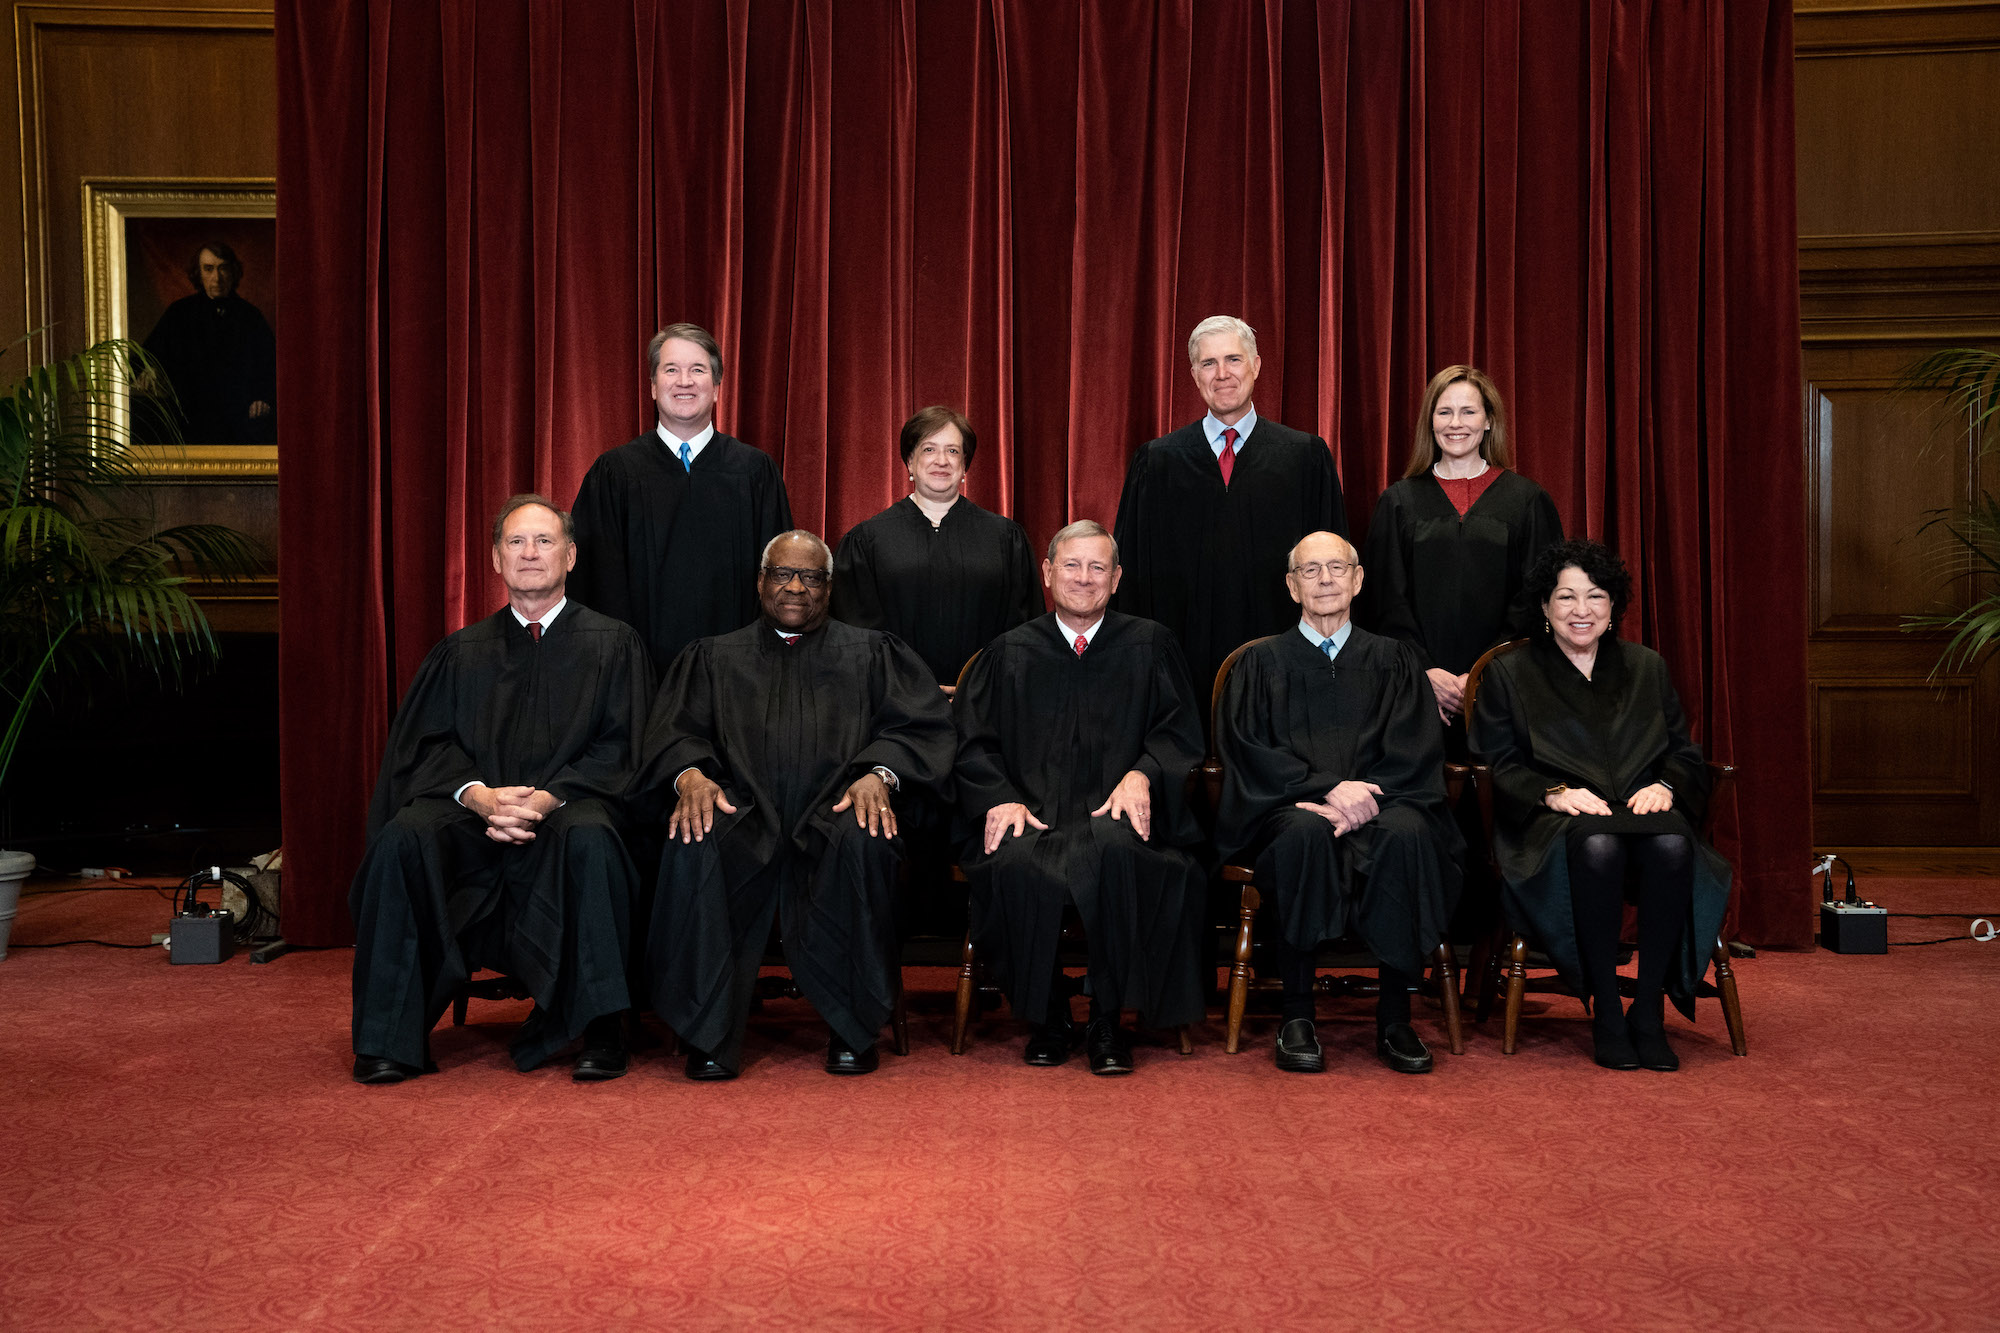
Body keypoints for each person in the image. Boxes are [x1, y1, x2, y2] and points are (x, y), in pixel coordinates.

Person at [348, 495, 656, 1085]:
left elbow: (624, 746)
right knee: (405, 839)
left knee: (593, 837)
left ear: (570, 555)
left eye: (544, 541)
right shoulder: (461, 652)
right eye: (516, 543)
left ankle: (602, 1026)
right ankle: (388, 1037)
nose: (530, 553)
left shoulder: (613, 645)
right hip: (474, 816)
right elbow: (427, 748)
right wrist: (480, 796)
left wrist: (547, 798)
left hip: (570, 808)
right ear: (495, 560)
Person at [641, 530, 955, 1079]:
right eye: (783, 574)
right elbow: (673, 732)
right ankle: (708, 1030)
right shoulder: (714, 657)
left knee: (866, 838)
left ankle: (852, 1027)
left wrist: (878, 774)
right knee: (695, 836)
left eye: (810, 577)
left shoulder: (873, 653)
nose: (795, 587)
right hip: (742, 816)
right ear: (761, 582)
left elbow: (920, 727)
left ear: (828, 588)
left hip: (834, 813)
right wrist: (689, 776)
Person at [1467, 539, 1731, 1072]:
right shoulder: (1510, 674)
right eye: (1565, 597)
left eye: (1595, 596)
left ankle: (1649, 1009)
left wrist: (1669, 787)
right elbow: (1498, 764)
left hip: (1643, 807)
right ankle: (1608, 1012)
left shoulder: (1646, 667)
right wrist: (1552, 793)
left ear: (1614, 608)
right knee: (1601, 846)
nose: (1580, 610)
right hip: (1552, 822)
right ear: (1544, 607)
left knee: (1675, 844)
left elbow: (1684, 750)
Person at [953, 521, 1206, 1075]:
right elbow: (973, 744)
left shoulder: (1151, 644)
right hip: (1034, 811)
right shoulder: (1009, 652)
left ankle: (1108, 1020)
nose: (1084, 578)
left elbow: (1179, 733)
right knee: (1015, 860)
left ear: (1116, 579)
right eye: (1071, 565)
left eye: (1097, 568)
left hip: (1116, 813)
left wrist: (1144, 773)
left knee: (1120, 854)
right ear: (1047, 574)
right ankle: (1049, 1015)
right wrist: (999, 798)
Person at [1214, 532, 1463, 1074]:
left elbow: (1414, 748)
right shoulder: (1260, 664)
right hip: (1293, 805)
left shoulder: (1394, 660)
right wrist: (1327, 788)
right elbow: (1249, 749)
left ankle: (1395, 1017)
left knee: (1408, 835)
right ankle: (1297, 1016)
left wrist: (1364, 799)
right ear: (1291, 585)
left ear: (1357, 579)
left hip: (1385, 801)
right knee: (1302, 836)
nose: (1325, 580)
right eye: (1310, 570)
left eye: (1336, 568)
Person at [1112, 315, 1346, 704]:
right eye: (1209, 363)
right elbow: (1132, 579)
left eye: (1234, 360)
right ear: (1193, 374)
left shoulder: (1305, 457)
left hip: (1284, 668)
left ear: (1256, 365)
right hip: (1179, 667)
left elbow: (1333, 570)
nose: (1222, 374)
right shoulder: (1156, 462)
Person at [569, 323, 793, 672]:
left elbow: (779, 576)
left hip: (739, 674)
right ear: (654, 387)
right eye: (671, 369)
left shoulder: (754, 472)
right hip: (637, 675)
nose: (684, 381)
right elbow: (593, 581)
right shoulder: (614, 473)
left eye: (698, 370)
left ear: (717, 387)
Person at [1360, 365, 1563, 731]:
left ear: (1488, 421)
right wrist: (1425, 672)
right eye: (1444, 412)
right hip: (1414, 690)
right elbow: (1386, 600)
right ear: (1431, 421)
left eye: (1468, 411)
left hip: (1505, 687)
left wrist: (1483, 672)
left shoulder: (1526, 501)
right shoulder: (1399, 502)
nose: (1456, 423)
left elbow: (1538, 601)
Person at [831, 405, 1042, 685]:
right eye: (929, 449)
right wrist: (910, 690)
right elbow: (855, 636)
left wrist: (978, 687)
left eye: (953, 451)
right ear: (909, 461)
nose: (941, 460)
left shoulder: (1005, 538)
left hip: (985, 703)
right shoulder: (868, 540)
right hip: (895, 707)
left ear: (965, 464)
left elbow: (1022, 631)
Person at [140, 241, 276, 445]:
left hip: (238, 416)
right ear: (199, 273)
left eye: (223, 268)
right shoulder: (180, 313)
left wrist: (263, 398)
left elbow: (272, 366)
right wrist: (146, 372)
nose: (217, 278)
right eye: (209, 269)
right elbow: (144, 356)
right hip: (188, 414)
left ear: (233, 272)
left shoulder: (250, 317)